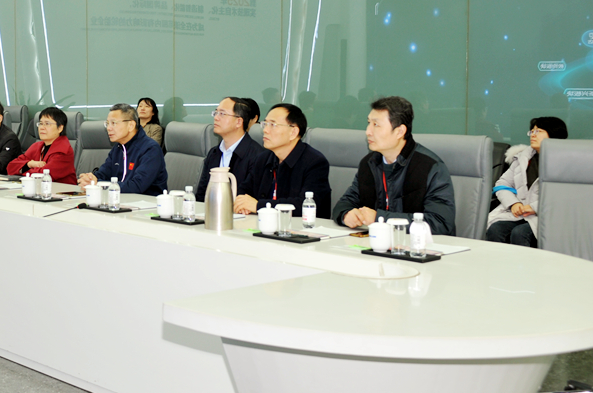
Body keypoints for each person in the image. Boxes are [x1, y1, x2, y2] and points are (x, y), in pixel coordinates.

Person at [333, 96, 456, 235]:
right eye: (368, 123)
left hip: (419, 246)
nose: (368, 131)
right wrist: (346, 214)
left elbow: (440, 223)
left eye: (376, 125)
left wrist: (380, 219)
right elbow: (345, 203)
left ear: (400, 132)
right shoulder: (369, 163)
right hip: (376, 244)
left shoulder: (430, 167)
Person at [233, 103, 332, 217]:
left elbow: (306, 205)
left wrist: (259, 206)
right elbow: (244, 191)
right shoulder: (263, 158)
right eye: (265, 124)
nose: (265, 130)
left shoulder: (315, 163)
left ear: (293, 132)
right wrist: (243, 204)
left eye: (272, 125)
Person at [486, 116, 568, 247]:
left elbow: (564, 196)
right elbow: (502, 184)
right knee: (496, 229)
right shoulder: (522, 157)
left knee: (520, 233)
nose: (533, 135)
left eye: (538, 131)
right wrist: (513, 203)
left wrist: (534, 207)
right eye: (532, 131)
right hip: (521, 212)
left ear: (554, 134)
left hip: (548, 215)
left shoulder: (566, 162)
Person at [79, 103, 168, 195]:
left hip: (146, 202)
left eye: (113, 123)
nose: (108, 128)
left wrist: (98, 184)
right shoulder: (118, 148)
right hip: (119, 200)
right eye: (107, 124)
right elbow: (102, 174)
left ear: (131, 125)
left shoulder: (150, 149)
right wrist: (90, 179)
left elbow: (137, 186)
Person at [196, 97, 266, 201]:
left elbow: (250, 199)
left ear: (238, 122)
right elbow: (202, 195)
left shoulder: (258, 156)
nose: (216, 118)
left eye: (222, 114)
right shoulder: (214, 153)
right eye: (216, 113)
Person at [7, 107, 77, 184]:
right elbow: (10, 167)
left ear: (60, 128)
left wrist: (23, 171)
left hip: (61, 190)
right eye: (40, 123)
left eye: (47, 124)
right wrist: (29, 164)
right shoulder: (36, 146)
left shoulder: (64, 150)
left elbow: (44, 175)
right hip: (38, 188)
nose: (42, 128)